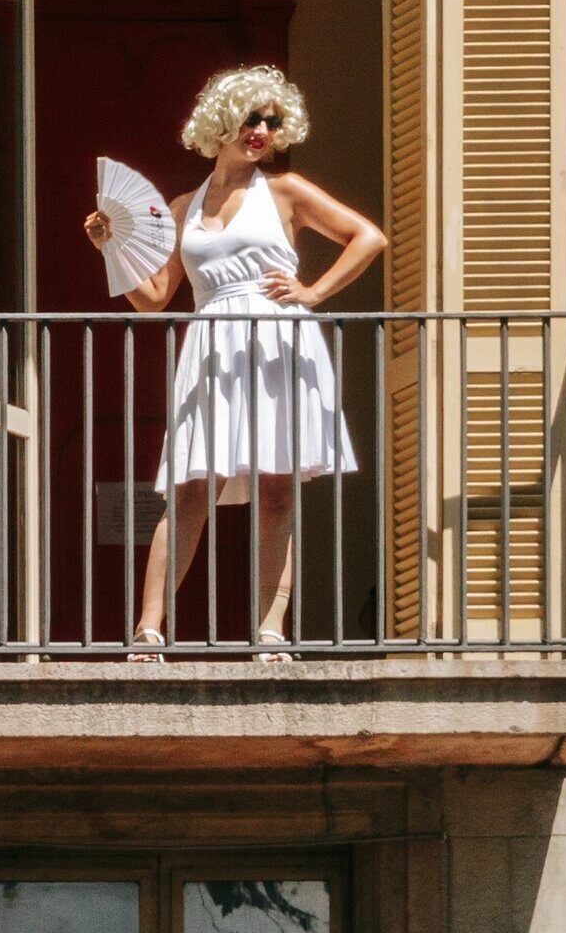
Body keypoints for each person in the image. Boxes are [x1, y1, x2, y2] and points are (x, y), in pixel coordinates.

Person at [81, 64, 381, 657]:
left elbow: (367, 236)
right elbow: (153, 300)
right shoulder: (183, 206)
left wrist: (314, 293)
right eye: (252, 118)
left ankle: (271, 631)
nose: (263, 130)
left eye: (273, 120)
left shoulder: (287, 192)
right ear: (222, 122)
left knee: (277, 490)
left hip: (276, 340)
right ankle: (149, 630)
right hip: (212, 339)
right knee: (191, 488)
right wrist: (109, 246)